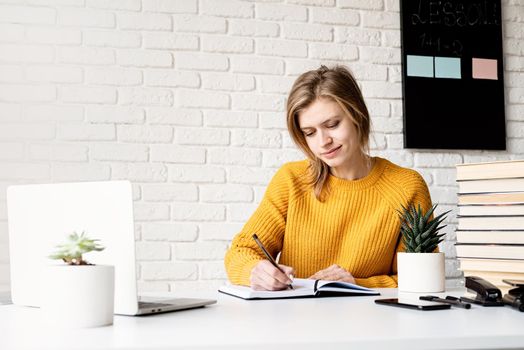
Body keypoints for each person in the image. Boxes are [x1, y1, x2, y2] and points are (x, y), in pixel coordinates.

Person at [224, 65, 432, 291]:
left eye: (332, 125)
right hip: (297, 321)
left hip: (373, 322)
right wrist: (255, 271)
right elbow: (240, 252)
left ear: (357, 116)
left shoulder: (406, 186)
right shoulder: (291, 180)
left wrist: (356, 284)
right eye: (310, 133)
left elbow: (421, 277)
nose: (323, 142)